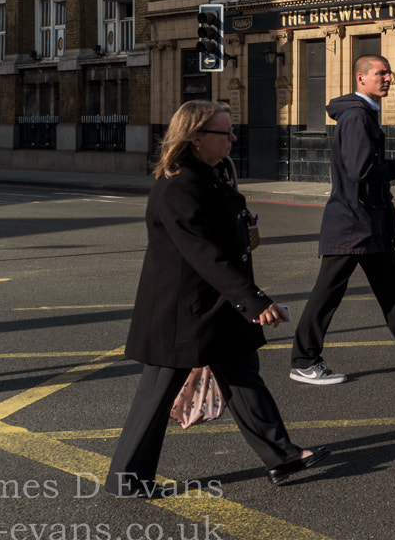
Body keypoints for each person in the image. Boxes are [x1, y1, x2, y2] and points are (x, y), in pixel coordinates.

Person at [109, 101, 322, 495]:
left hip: (216, 306)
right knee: (156, 394)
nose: (233, 139)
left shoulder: (211, 175)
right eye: (225, 133)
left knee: (242, 376)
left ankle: (281, 456)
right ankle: (127, 480)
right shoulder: (178, 186)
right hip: (183, 310)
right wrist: (254, 301)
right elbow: (203, 253)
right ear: (196, 139)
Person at [289, 54, 395, 384]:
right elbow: (361, 170)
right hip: (354, 223)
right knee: (327, 293)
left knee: (392, 288)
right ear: (360, 78)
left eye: (389, 73)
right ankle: (304, 360)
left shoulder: (364, 114)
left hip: (369, 222)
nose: (388, 78)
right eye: (380, 73)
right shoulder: (356, 116)